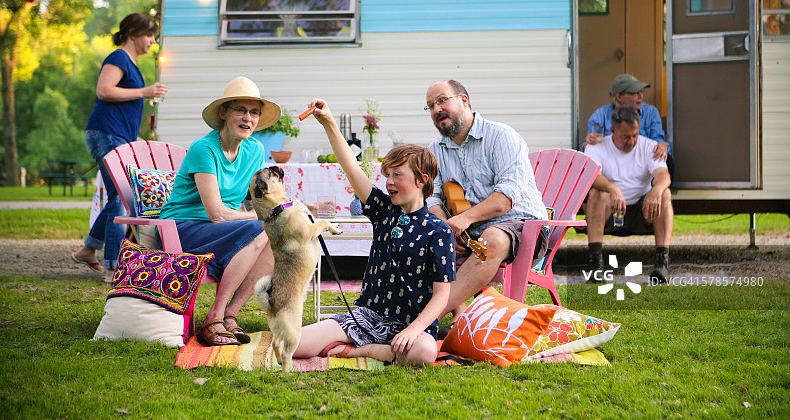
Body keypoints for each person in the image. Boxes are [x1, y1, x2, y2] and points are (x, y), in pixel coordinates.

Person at [293, 99, 455, 366]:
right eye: (387, 174)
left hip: (413, 325)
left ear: (422, 180)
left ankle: (361, 351)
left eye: (397, 175)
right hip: (368, 317)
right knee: (294, 343)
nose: (389, 181)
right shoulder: (383, 210)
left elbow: (441, 295)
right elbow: (351, 166)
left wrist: (414, 330)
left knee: (424, 354)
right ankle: (370, 345)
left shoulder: (439, 231)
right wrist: (330, 123)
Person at [159, 77, 278, 346]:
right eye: (240, 110)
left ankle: (230, 316)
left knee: (277, 231)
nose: (248, 118)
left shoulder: (255, 150)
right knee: (262, 226)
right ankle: (214, 315)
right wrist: (260, 217)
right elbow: (217, 214)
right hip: (182, 228)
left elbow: (255, 202)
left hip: (219, 232)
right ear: (224, 113)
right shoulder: (205, 149)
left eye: (254, 112)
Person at [424, 80, 549, 327]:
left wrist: (465, 219)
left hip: (522, 227)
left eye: (442, 100)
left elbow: (506, 198)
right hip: (468, 233)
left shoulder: (501, 136)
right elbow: (432, 198)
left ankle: (427, 320)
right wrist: (446, 226)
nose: (436, 109)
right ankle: (459, 316)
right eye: (430, 106)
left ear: (463, 100)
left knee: (491, 239)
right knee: (422, 236)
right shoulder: (434, 150)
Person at [71, 13, 167, 281]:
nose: (152, 42)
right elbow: (104, 91)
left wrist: (135, 140)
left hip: (118, 136)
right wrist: (144, 92)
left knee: (120, 196)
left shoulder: (132, 63)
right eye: (149, 35)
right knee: (122, 197)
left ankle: (89, 249)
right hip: (106, 133)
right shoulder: (118, 57)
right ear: (133, 32)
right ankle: (114, 267)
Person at [584, 105, 673, 284]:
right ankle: (596, 266)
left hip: (643, 211)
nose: (631, 141)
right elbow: (591, 176)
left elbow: (663, 175)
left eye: (634, 135)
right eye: (625, 136)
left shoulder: (649, 146)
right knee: (595, 194)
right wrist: (613, 189)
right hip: (609, 211)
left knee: (664, 194)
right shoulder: (598, 146)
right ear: (612, 130)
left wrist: (655, 190)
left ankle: (662, 264)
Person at [586, 73, 670, 163]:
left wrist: (662, 145)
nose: (641, 96)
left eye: (641, 92)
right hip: (611, 163)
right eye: (635, 93)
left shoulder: (651, 112)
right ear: (619, 97)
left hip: (642, 163)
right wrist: (590, 142)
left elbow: (658, 140)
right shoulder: (600, 115)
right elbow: (589, 150)